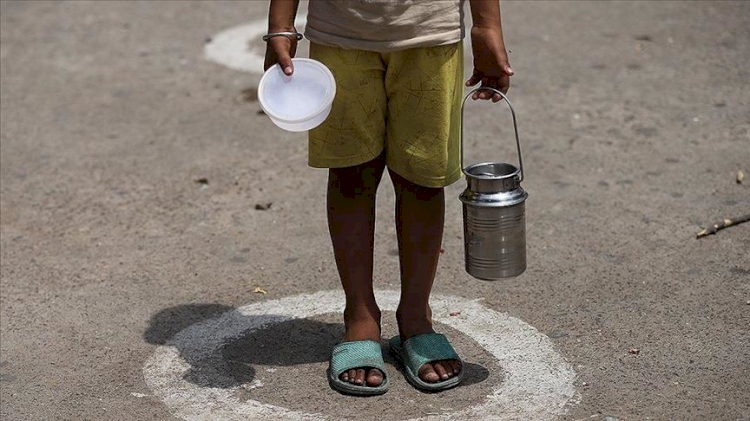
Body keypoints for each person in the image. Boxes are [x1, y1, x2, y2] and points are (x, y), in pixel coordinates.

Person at [264, 0, 513, 395]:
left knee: (423, 180)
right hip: (341, 32)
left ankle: (416, 316)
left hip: (429, 31)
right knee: (351, 173)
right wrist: (280, 25)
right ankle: (359, 316)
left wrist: (487, 25)